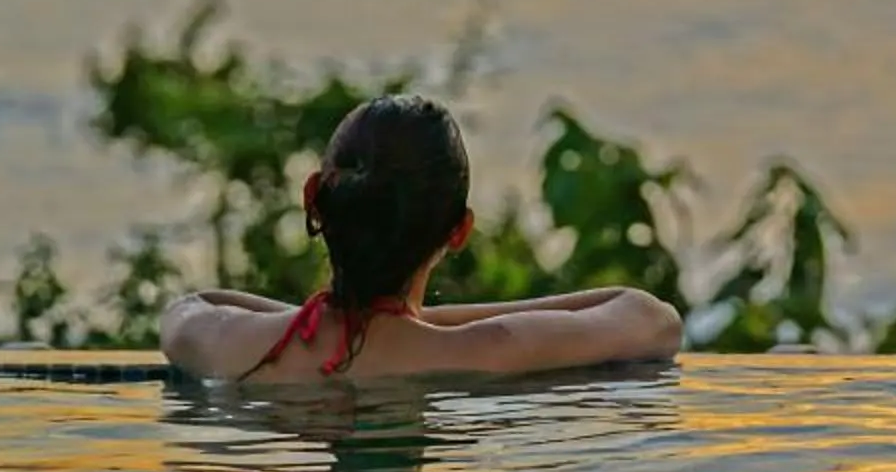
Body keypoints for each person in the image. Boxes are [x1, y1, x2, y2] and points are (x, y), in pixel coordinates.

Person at [160, 96, 685, 381]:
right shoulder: (489, 349)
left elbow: (188, 308)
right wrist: (423, 321)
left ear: (314, 199)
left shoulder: (228, 343)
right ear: (458, 232)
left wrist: (329, 318)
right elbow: (651, 318)